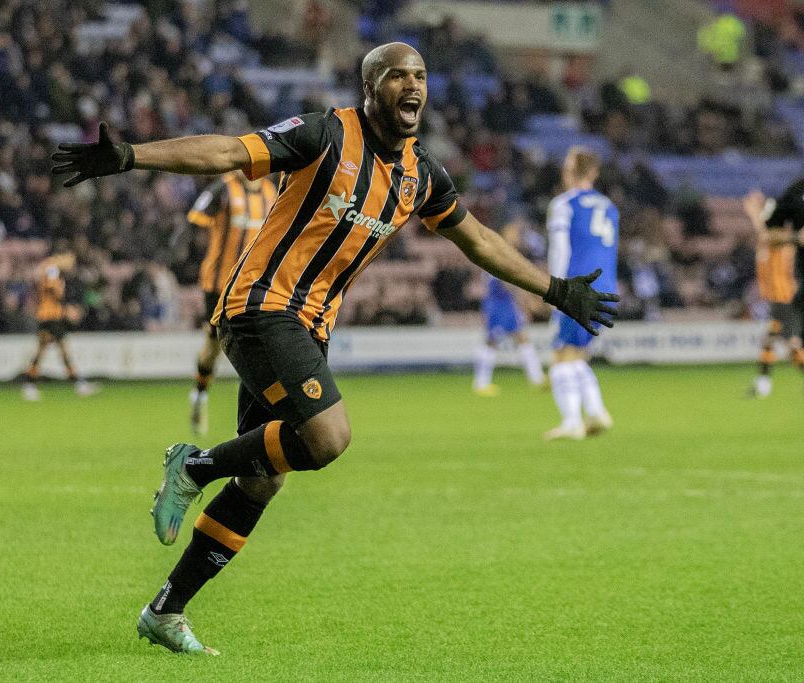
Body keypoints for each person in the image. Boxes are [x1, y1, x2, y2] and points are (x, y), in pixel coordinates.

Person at [52, 42, 618, 655]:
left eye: (420, 76)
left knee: (264, 479)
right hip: (260, 307)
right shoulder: (324, 134)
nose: (412, 86)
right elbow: (228, 150)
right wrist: (133, 156)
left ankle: (166, 610)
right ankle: (193, 467)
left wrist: (555, 289)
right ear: (369, 88)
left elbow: (477, 239)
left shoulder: (421, 175)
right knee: (327, 438)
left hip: (310, 327)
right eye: (397, 75)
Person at [187, 171, 277, 434]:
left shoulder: (271, 193)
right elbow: (194, 223)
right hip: (218, 284)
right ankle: (200, 393)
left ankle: (258, 411)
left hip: (253, 283)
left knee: (259, 341)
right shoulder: (224, 188)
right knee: (214, 344)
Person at [543, 147, 619, 441]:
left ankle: (572, 422)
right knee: (577, 355)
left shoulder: (564, 204)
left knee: (561, 355)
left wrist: (556, 289)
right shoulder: (610, 206)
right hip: (606, 288)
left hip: (576, 286)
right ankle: (597, 412)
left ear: (570, 171)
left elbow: (560, 249)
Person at [743, 188, 804, 396]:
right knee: (781, 342)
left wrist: (753, 214)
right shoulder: (779, 238)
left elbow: (766, 235)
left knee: (791, 344)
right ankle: (763, 384)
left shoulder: (781, 238)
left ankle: (763, 384)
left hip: (784, 297)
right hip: (778, 297)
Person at [473, 223, 545, 396]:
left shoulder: (502, 250)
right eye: (514, 233)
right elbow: (505, 281)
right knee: (493, 341)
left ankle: (537, 378)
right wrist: (526, 301)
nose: (517, 236)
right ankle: (481, 383)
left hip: (504, 302)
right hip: (498, 302)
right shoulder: (500, 251)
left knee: (519, 338)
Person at [22, 251, 98, 400]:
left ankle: (30, 385)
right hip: (51, 316)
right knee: (60, 350)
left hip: (47, 315)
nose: (71, 265)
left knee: (44, 350)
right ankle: (78, 384)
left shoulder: (49, 268)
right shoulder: (52, 268)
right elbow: (52, 290)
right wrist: (66, 309)